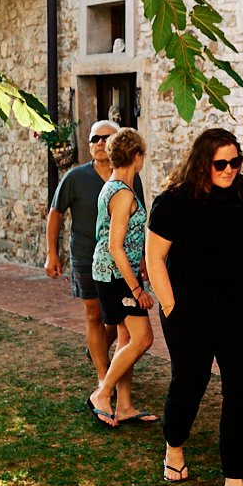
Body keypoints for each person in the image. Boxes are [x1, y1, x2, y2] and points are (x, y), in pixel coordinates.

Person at [146, 128, 243, 486]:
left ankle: (234, 479)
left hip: (239, 307)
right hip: (189, 310)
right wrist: (171, 307)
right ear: (203, 162)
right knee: (190, 381)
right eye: (221, 163)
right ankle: (174, 449)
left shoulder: (242, 190)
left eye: (236, 162)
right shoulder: (174, 201)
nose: (230, 169)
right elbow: (154, 259)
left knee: (240, 391)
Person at [87, 129, 157, 427]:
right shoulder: (123, 193)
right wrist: (136, 288)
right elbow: (116, 246)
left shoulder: (114, 186)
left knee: (126, 338)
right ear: (137, 156)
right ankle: (102, 394)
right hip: (116, 276)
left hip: (112, 272)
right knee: (143, 339)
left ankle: (125, 406)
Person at [45, 120, 120, 391]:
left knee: (118, 316)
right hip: (86, 255)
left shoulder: (128, 176)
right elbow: (55, 214)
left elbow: (140, 217)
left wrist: (144, 259)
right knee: (93, 315)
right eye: (94, 138)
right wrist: (52, 253)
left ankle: (97, 347)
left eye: (106, 138)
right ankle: (103, 376)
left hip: (120, 259)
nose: (100, 143)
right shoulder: (75, 177)